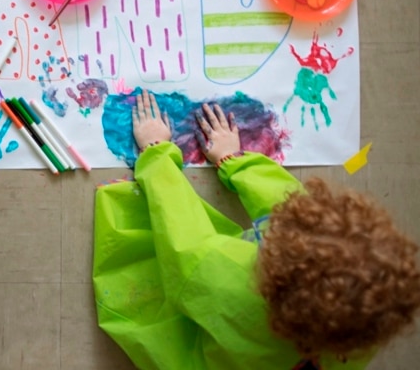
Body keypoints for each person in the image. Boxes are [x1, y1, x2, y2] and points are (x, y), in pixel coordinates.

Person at [94, 90, 420, 370]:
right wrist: (232, 160)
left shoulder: (219, 276)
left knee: (136, 235)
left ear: (273, 275)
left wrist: (155, 153)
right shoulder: (361, 324)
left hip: (215, 347)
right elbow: (286, 204)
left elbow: (177, 225)